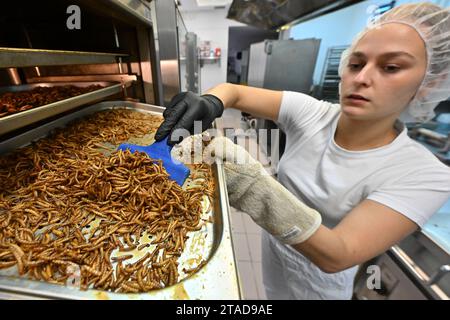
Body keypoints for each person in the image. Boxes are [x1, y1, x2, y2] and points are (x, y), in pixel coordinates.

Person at [155, 3, 450, 299]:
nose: (362, 78)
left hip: (320, 284)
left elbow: (339, 253)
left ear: (431, 83)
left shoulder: (426, 175)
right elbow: (236, 91)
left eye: (391, 67)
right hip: (274, 255)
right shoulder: (314, 113)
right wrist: (211, 101)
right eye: (357, 64)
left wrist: (250, 185)